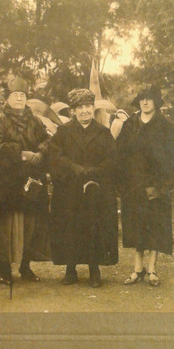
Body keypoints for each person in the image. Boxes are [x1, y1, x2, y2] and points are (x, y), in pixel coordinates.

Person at [49, 88, 118, 288]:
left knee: (93, 227)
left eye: (88, 106)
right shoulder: (64, 132)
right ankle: (70, 270)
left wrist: (95, 170)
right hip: (69, 189)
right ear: (73, 110)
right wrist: (73, 167)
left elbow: (112, 159)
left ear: (93, 108)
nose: (84, 111)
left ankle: (94, 270)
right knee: (70, 227)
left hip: (95, 189)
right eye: (80, 107)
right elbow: (55, 156)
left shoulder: (103, 132)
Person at [0, 77, 51, 285]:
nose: (19, 99)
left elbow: (47, 140)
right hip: (8, 181)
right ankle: (4, 268)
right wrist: (21, 154)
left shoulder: (35, 120)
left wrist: (40, 152)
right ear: (8, 98)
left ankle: (26, 267)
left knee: (31, 224)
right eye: (15, 95)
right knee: (7, 225)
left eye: (23, 96)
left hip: (31, 179)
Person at [117, 84, 174, 287]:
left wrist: (162, 186)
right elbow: (120, 155)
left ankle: (152, 269)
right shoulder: (129, 125)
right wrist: (123, 184)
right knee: (135, 227)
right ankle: (137, 269)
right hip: (133, 184)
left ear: (156, 102)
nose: (145, 102)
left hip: (156, 185)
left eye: (149, 98)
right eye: (142, 98)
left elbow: (172, 158)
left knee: (155, 227)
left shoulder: (166, 126)